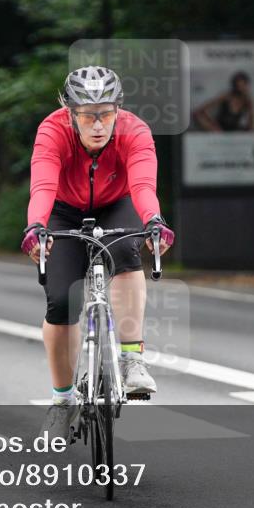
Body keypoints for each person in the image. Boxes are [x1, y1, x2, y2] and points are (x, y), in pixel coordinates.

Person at [21, 66, 175, 441]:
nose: (97, 124)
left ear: (118, 110)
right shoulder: (52, 130)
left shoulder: (134, 131)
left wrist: (154, 220)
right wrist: (36, 226)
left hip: (117, 204)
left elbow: (142, 184)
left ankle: (130, 357)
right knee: (60, 302)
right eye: (87, 115)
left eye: (106, 113)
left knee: (126, 252)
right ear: (70, 112)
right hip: (63, 208)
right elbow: (42, 184)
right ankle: (62, 402)